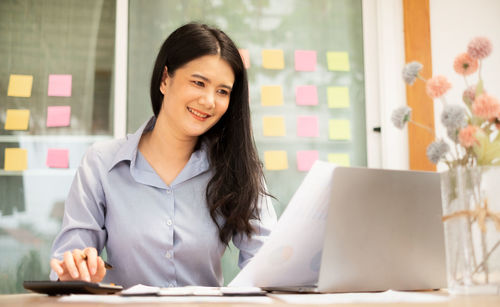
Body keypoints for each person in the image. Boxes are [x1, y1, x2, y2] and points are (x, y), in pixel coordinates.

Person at [49, 23, 277, 288]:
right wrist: (75, 271)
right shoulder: (101, 163)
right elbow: (68, 262)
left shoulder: (237, 167)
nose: (209, 101)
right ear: (165, 79)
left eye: (222, 91)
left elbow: (268, 263)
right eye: (198, 82)